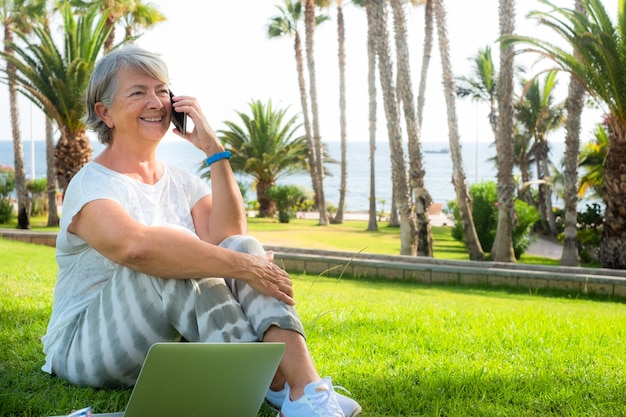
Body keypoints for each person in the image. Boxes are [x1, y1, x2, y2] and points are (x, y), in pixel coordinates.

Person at [41, 45, 361, 417]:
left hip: (158, 348)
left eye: (162, 90)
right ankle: (273, 382)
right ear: (105, 113)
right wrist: (244, 265)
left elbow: (230, 237)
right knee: (173, 251)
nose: (156, 102)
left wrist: (213, 148)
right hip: (84, 349)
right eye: (138, 92)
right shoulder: (90, 184)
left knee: (241, 244)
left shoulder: (182, 181)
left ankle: (303, 387)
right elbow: (137, 250)